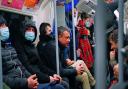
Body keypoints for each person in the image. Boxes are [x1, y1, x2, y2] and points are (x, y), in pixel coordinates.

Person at [0, 15, 66, 89]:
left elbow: (25, 68)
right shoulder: (19, 47)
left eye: (5, 25)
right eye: (1, 26)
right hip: (21, 82)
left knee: (61, 85)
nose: (5, 28)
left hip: (28, 79)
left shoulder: (11, 48)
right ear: (23, 31)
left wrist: (52, 74)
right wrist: (28, 82)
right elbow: (27, 67)